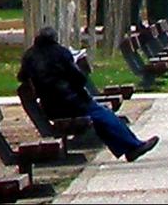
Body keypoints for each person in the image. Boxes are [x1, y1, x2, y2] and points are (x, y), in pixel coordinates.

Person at [18, 27, 159, 162]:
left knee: (100, 118)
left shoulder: (29, 56)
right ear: (55, 39)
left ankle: (129, 148)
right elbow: (79, 79)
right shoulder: (60, 52)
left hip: (50, 107)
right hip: (71, 103)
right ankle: (134, 146)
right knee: (105, 114)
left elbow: (22, 76)